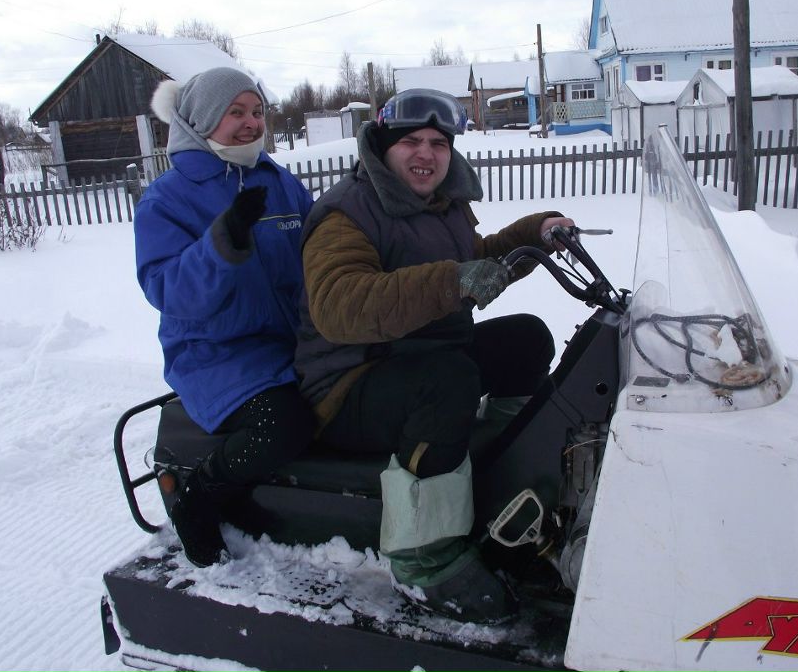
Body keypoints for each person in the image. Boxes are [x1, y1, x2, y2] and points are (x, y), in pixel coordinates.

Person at [294, 88, 572, 624]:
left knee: (527, 339)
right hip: (347, 382)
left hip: (418, 355)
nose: (427, 154)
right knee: (448, 381)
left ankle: (503, 468)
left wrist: (533, 232)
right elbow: (338, 306)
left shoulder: (439, 204)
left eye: (439, 143)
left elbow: (473, 263)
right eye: (412, 142)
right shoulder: (345, 214)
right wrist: (451, 282)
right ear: (382, 146)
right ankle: (424, 558)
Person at [135, 66, 315, 568]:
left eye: (257, 111)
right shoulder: (167, 198)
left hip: (293, 342)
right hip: (216, 355)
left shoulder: (279, 183)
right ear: (202, 119)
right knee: (281, 426)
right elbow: (165, 288)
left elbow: (319, 256)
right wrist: (220, 245)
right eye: (235, 112)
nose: (250, 123)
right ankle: (199, 500)